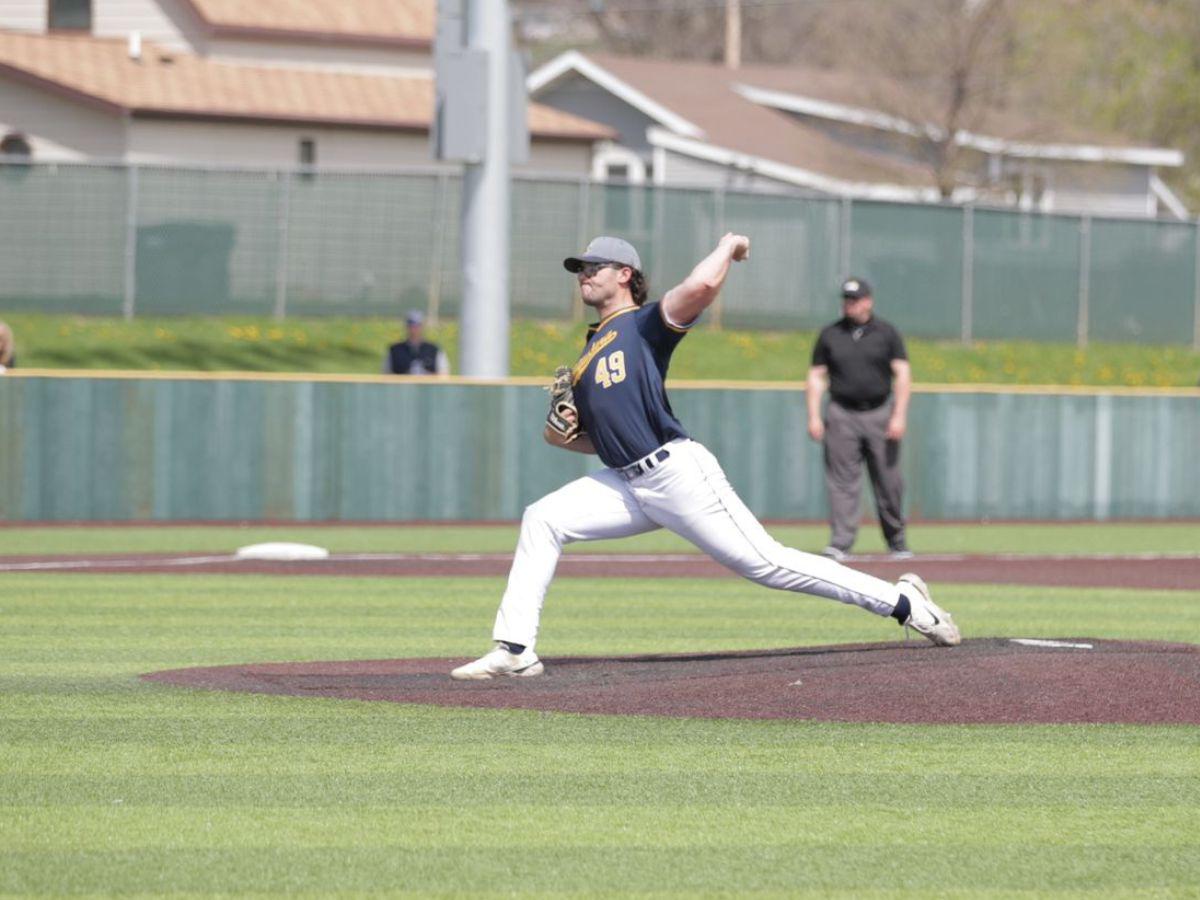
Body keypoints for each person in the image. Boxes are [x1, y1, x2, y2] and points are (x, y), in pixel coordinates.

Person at [451, 235, 959, 680]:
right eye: (580, 270)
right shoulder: (591, 350)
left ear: (625, 275)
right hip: (626, 481)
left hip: (675, 472)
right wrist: (561, 434)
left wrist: (728, 246)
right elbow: (585, 439)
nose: (583, 276)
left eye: (593, 267)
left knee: (767, 563)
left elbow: (699, 290)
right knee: (543, 518)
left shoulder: (643, 324)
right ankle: (515, 649)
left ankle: (903, 603)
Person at [806, 277, 912, 562]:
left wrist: (899, 415)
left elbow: (902, 373)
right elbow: (816, 376)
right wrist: (814, 415)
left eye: (854, 299)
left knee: (889, 482)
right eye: (846, 299)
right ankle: (841, 542)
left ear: (868, 301)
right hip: (841, 414)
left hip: (879, 412)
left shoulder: (886, 333)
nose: (849, 304)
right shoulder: (830, 334)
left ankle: (897, 541)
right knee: (842, 483)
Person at [383, 310, 449, 375]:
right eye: (411, 325)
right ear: (406, 327)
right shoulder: (395, 350)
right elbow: (386, 374)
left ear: (422, 327)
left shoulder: (434, 349)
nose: (414, 329)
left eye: (417, 325)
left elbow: (443, 375)